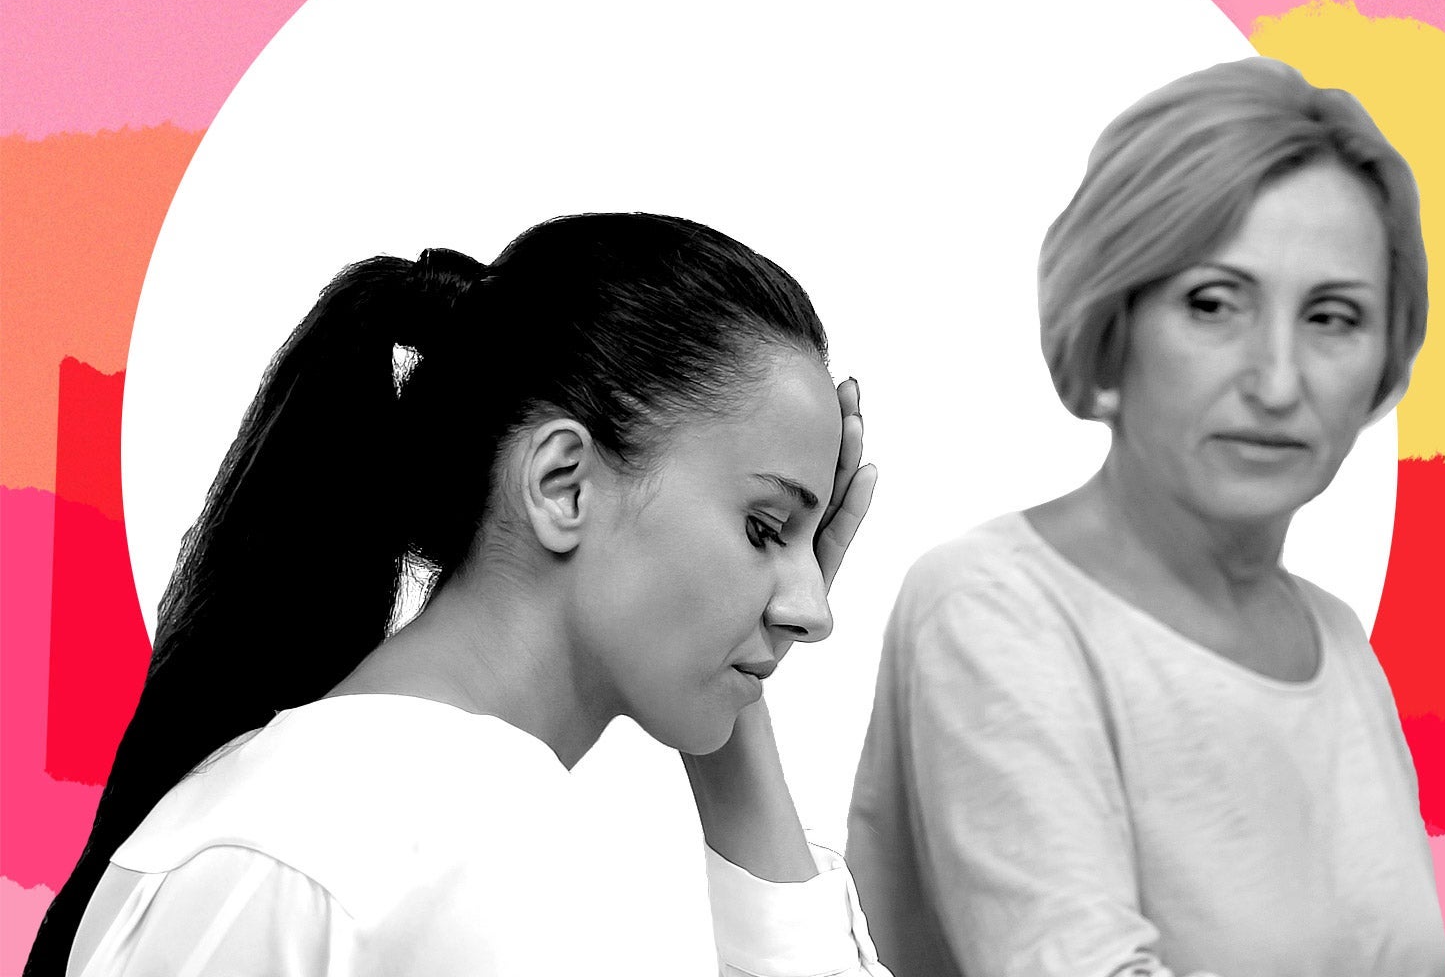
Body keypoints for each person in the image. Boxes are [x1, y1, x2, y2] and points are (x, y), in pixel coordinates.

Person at [27, 213, 890, 975]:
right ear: (563, 484)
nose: (814, 611)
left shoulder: (212, 805)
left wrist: (737, 661)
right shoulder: (515, 867)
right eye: (765, 527)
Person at [846, 58, 1445, 977]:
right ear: (1112, 325)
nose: (1278, 383)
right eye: (1213, 304)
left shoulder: (1338, 645)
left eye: (1333, 317)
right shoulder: (991, 606)